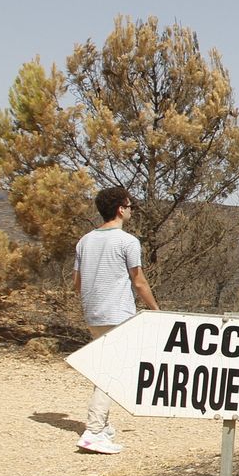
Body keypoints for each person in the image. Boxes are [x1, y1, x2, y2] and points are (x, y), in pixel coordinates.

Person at [72, 188, 159, 454]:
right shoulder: (128, 242)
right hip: (118, 313)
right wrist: (155, 309)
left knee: (103, 367)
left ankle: (102, 424)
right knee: (111, 371)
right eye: (130, 205)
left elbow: (77, 283)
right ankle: (94, 430)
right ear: (121, 208)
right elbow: (139, 281)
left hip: (93, 312)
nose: (131, 210)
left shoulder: (84, 241)